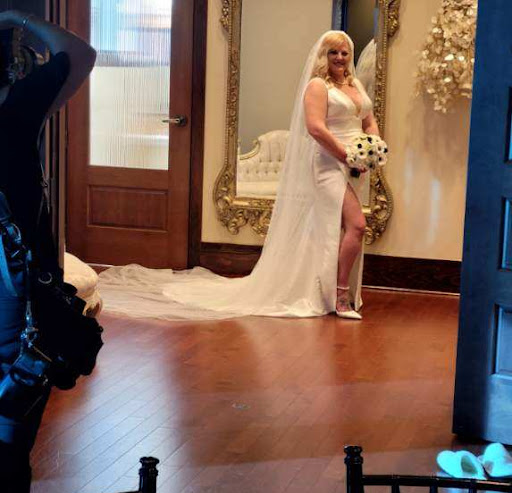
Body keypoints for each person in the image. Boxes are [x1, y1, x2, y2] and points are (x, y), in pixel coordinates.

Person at [98, 30, 379, 321]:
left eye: (344, 52)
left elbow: (368, 120)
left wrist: (373, 146)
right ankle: (340, 295)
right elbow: (316, 129)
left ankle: (331, 291)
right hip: (328, 163)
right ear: (323, 56)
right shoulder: (318, 86)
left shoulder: (354, 84)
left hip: (355, 165)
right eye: (333, 52)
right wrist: (346, 155)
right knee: (357, 225)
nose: (340, 57)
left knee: (335, 228)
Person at [0, 10, 95, 493]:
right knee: (12, 418)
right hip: (15, 281)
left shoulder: (18, 105)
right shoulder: (18, 105)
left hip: (14, 278)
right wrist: (17, 16)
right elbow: (79, 53)